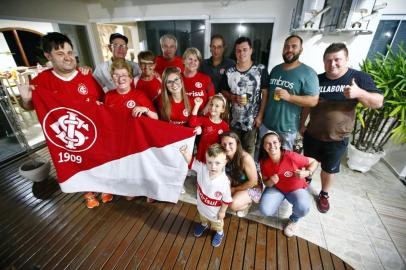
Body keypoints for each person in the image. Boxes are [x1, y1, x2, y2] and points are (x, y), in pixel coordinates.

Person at [16, 32, 105, 209]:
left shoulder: (86, 76)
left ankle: (104, 188)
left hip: (93, 132)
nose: (67, 58)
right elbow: (29, 106)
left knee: (99, 160)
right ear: (48, 56)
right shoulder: (41, 81)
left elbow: (101, 101)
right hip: (67, 137)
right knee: (76, 164)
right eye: (60, 54)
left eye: (70, 52)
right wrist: (25, 99)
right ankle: (87, 192)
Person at [300, 43, 383, 213]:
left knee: (328, 169)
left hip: (337, 139)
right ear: (324, 61)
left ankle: (324, 194)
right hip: (313, 134)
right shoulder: (318, 79)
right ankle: (304, 183)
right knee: (308, 164)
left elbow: (378, 102)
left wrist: (359, 93)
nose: (333, 64)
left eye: (337, 60)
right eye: (328, 60)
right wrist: (302, 124)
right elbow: (308, 105)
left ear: (347, 59)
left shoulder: (358, 78)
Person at [260, 35, 319, 150]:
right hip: (267, 125)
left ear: (300, 50)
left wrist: (289, 97)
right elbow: (267, 95)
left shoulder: (308, 73)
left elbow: (313, 101)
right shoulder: (275, 69)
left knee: (284, 162)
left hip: (287, 129)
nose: (289, 49)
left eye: (294, 46)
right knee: (264, 157)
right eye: (286, 47)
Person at [258, 131, 318, 237]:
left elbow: (314, 162)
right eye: (268, 143)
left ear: (280, 143)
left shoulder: (291, 156)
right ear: (264, 147)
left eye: (275, 142)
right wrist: (271, 181)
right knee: (265, 210)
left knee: (303, 207)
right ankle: (280, 198)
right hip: (277, 188)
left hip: (295, 188)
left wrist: (307, 173)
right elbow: (266, 183)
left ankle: (293, 220)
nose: (272, 146)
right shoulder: (263, 162)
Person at [220, 37, 269, 156]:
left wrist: (260, 116)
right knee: (232, 149)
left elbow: (265, 93)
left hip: (252, 120)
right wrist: (233, 97)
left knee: (248, 150)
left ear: (251, 50)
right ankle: (233, 173)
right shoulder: (229, 71)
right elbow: (223, 91)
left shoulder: (260, 70)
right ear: (235, 52)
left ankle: (247, 174)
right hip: (234, 120)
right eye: (238, 50)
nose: (242, 53)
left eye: (245, 49)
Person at [180, 143, 232, 247]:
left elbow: (227, 199)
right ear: (206, 160)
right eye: (210, 162)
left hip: (215, 213)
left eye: (217, 163)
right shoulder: (202, 168)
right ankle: (204, 225)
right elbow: (191, 162)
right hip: (202, 207)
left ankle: (220, 233)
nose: (213, 166)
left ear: (225, 162)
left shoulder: (224, 182)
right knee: (202, 218)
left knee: (217, 225)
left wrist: (222, 211)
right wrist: (185, 153)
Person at [220, 131, 261, 217]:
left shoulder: (245, 158)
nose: (227, 147)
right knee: (219, 196)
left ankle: (247, 205)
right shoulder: (223, 155)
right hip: (235, 182)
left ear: (237, 143)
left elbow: (253, 182)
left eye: (230, 143)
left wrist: (234, 189)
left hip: (252, 187)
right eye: (224, 144)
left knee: (233, 204)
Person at [188, 94, 229, 163]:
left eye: (217, 106)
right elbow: (192, 123)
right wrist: (197, 105)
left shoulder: (224, 126)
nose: (213, 107)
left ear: (222, 109)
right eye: (211, 104)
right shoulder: (205, 119)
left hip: (215, 156)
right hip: (202, 153)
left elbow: (225, 143)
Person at [182, 47, 215, 114]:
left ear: (199, 63)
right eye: (190, 59)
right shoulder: (177, 78)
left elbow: (212, 99)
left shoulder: (206, 79)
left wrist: (203, 112)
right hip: (182, 117)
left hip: (201, 117)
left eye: (196, 60)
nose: (192, 62)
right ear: (184, 60)